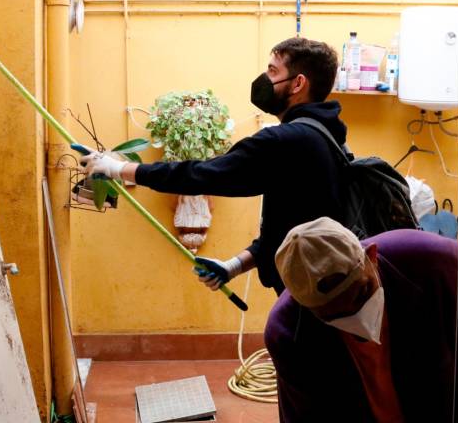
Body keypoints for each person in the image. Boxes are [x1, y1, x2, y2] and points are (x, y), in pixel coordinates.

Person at [80, 37, 345, 294]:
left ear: (298, 83)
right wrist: (233, 266)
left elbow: (201, 175)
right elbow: (292, 225)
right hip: (327, 284)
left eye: (273, 72)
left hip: (310, 297)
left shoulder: (286, 140)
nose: (264, 80)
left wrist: (115, 168)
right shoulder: (326, 137)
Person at [267, 216, 458, 422]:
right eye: (335, 316)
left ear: (371, 256)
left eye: (362, 293)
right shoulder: (288, 331)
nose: (356, 316)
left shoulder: (432, 262)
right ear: (304, 306)